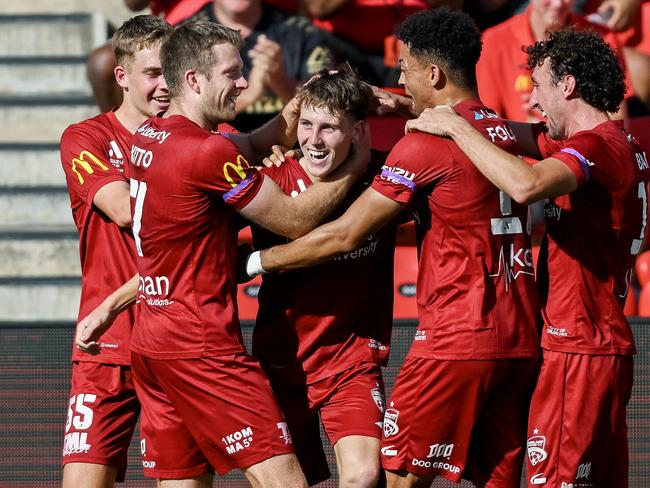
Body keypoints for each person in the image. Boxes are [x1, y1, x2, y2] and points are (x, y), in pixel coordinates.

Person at [243, 8, 540, 487]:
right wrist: (410, 110)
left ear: (434, 73)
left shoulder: (415, 152)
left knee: (391, 478)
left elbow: (343, 234)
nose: (398, 80)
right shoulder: (505, 133)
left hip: (447, 340)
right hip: (518, 338)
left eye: (404, 69)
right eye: (307, 127)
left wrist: (255, 262)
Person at [80, 20, 370, 486]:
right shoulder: (205, 154)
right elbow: (294, 220)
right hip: (203, 347)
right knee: (286, 481)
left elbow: (249, 146)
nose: (242, 84)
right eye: (232, 74)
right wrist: (356, 164)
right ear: (194, 80)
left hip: (153, 341)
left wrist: (295, 107)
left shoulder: (146, 141)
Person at [407, 28, 649, 487]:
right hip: (604, 346)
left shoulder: (595, 147)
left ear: (568, 85)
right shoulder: (614, 143)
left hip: (576, 347)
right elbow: (506, 132)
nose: (533, 101)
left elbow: (526, 185)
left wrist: (455, 128)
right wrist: (409, 103)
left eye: (538, 87)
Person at [250, 67, 395, 487]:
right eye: (306, 125)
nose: (313, 140)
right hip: (281, 362)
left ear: (359, 130)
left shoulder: (385, 179)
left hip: (349, 362)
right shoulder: (270, 180)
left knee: (364, 476)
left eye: (329, 127)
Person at [59, 15, 173, 487]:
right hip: (105, 349)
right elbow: (126, 210)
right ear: (121, 76)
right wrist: (196, 189)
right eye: (153, 73)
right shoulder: (86, 138)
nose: (166, 85)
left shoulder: (206, 137)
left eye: (174, 70)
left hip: (177, 345)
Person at [183, 0, 334, 131]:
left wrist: (281, 81)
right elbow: (178, 117)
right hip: (218, 149)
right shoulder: (185, 35)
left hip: (290, 149)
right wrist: (249, 94)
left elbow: (327, 108)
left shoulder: (302, 31)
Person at [476, 0, 635, 122]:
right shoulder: (494, 41)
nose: (558, 3)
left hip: (585, 154)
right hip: (523, 157)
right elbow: (489, 120)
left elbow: (617, 118)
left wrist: (566, 114)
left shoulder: (602, 37)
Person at [86, 1, 209, 113]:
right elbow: (133, 4)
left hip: (206, 18)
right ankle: (119, 133)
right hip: (168, 24)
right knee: (102, 63)